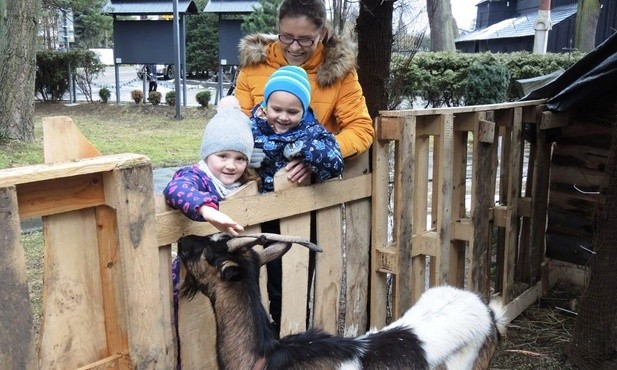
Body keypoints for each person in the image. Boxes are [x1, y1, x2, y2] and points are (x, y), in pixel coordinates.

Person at [163, 96, 259, 366]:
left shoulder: (240, 183)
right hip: (190, 271)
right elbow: (175, 190)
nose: (231, 165)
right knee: (184, 328)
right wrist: (207, 210)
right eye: (223, 156)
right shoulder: (196, 176)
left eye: (240, 158)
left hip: (219, 277)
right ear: (207, 154)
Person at [235, 0, 374, 185]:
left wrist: (316, 154)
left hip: (313, 192)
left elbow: (360, 129)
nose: (294, 47)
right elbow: (237, 122)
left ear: (322, 33)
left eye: (305, 39)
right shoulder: (254, 66)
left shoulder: (340, 72)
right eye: (286, 37)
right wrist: (242, 150)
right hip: (257, 189)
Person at [251, 65, 344, 193]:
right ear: (266, 105)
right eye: (276, 110)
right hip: (256, 203)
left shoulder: (312, 131)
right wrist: (243, 158)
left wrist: (306, 149)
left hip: (298, 203)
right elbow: (225, 154)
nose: (283, 117)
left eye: (292, 112)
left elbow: (336, 164)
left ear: (304, 112)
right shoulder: (253, 127)